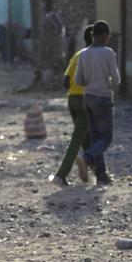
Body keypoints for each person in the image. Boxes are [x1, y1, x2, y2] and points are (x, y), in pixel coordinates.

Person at [74, 20, 121, 185]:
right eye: (107, 36)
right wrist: (106, 81)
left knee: (95, 138)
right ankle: (86, 158)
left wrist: (91, 80)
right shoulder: (108, 53)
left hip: (88, 98)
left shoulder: (84, 54)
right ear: (104, 36)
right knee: (106, 137)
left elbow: (78, 80)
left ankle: (101, 175)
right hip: (103, 98)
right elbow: (116, 79)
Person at [50, 24, 93, 187]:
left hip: (72, 100)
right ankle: (60, 175)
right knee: (78, 138)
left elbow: (66, 82)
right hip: (87, 100)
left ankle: (98, 172)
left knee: (85, 136)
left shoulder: (77, 56)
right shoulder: (97, 57)